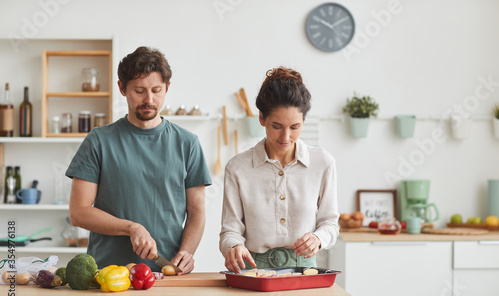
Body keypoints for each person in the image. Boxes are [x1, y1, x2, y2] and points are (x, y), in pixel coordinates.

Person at [66, 46, 212, 274]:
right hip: (107, 274)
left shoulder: (188, 143)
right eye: (139, 91)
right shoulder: (99, 141)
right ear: (122, 88)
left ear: (167, 88)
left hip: (166, 272)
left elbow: (196, 211)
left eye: (157, 90)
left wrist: (187, 252)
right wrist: (131, 228)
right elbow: (78, 212)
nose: (149, 99)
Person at [219, 67, 340, 273]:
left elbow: (330, 223)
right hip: (253, 272)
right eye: (276, 126)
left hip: (305, 273)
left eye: (295, 127)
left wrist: (318, 238)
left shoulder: (323, 162)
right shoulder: (238, 167)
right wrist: (234, 247)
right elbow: (229, 232)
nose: (285, 137)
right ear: (261, 119)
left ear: (303, 122)